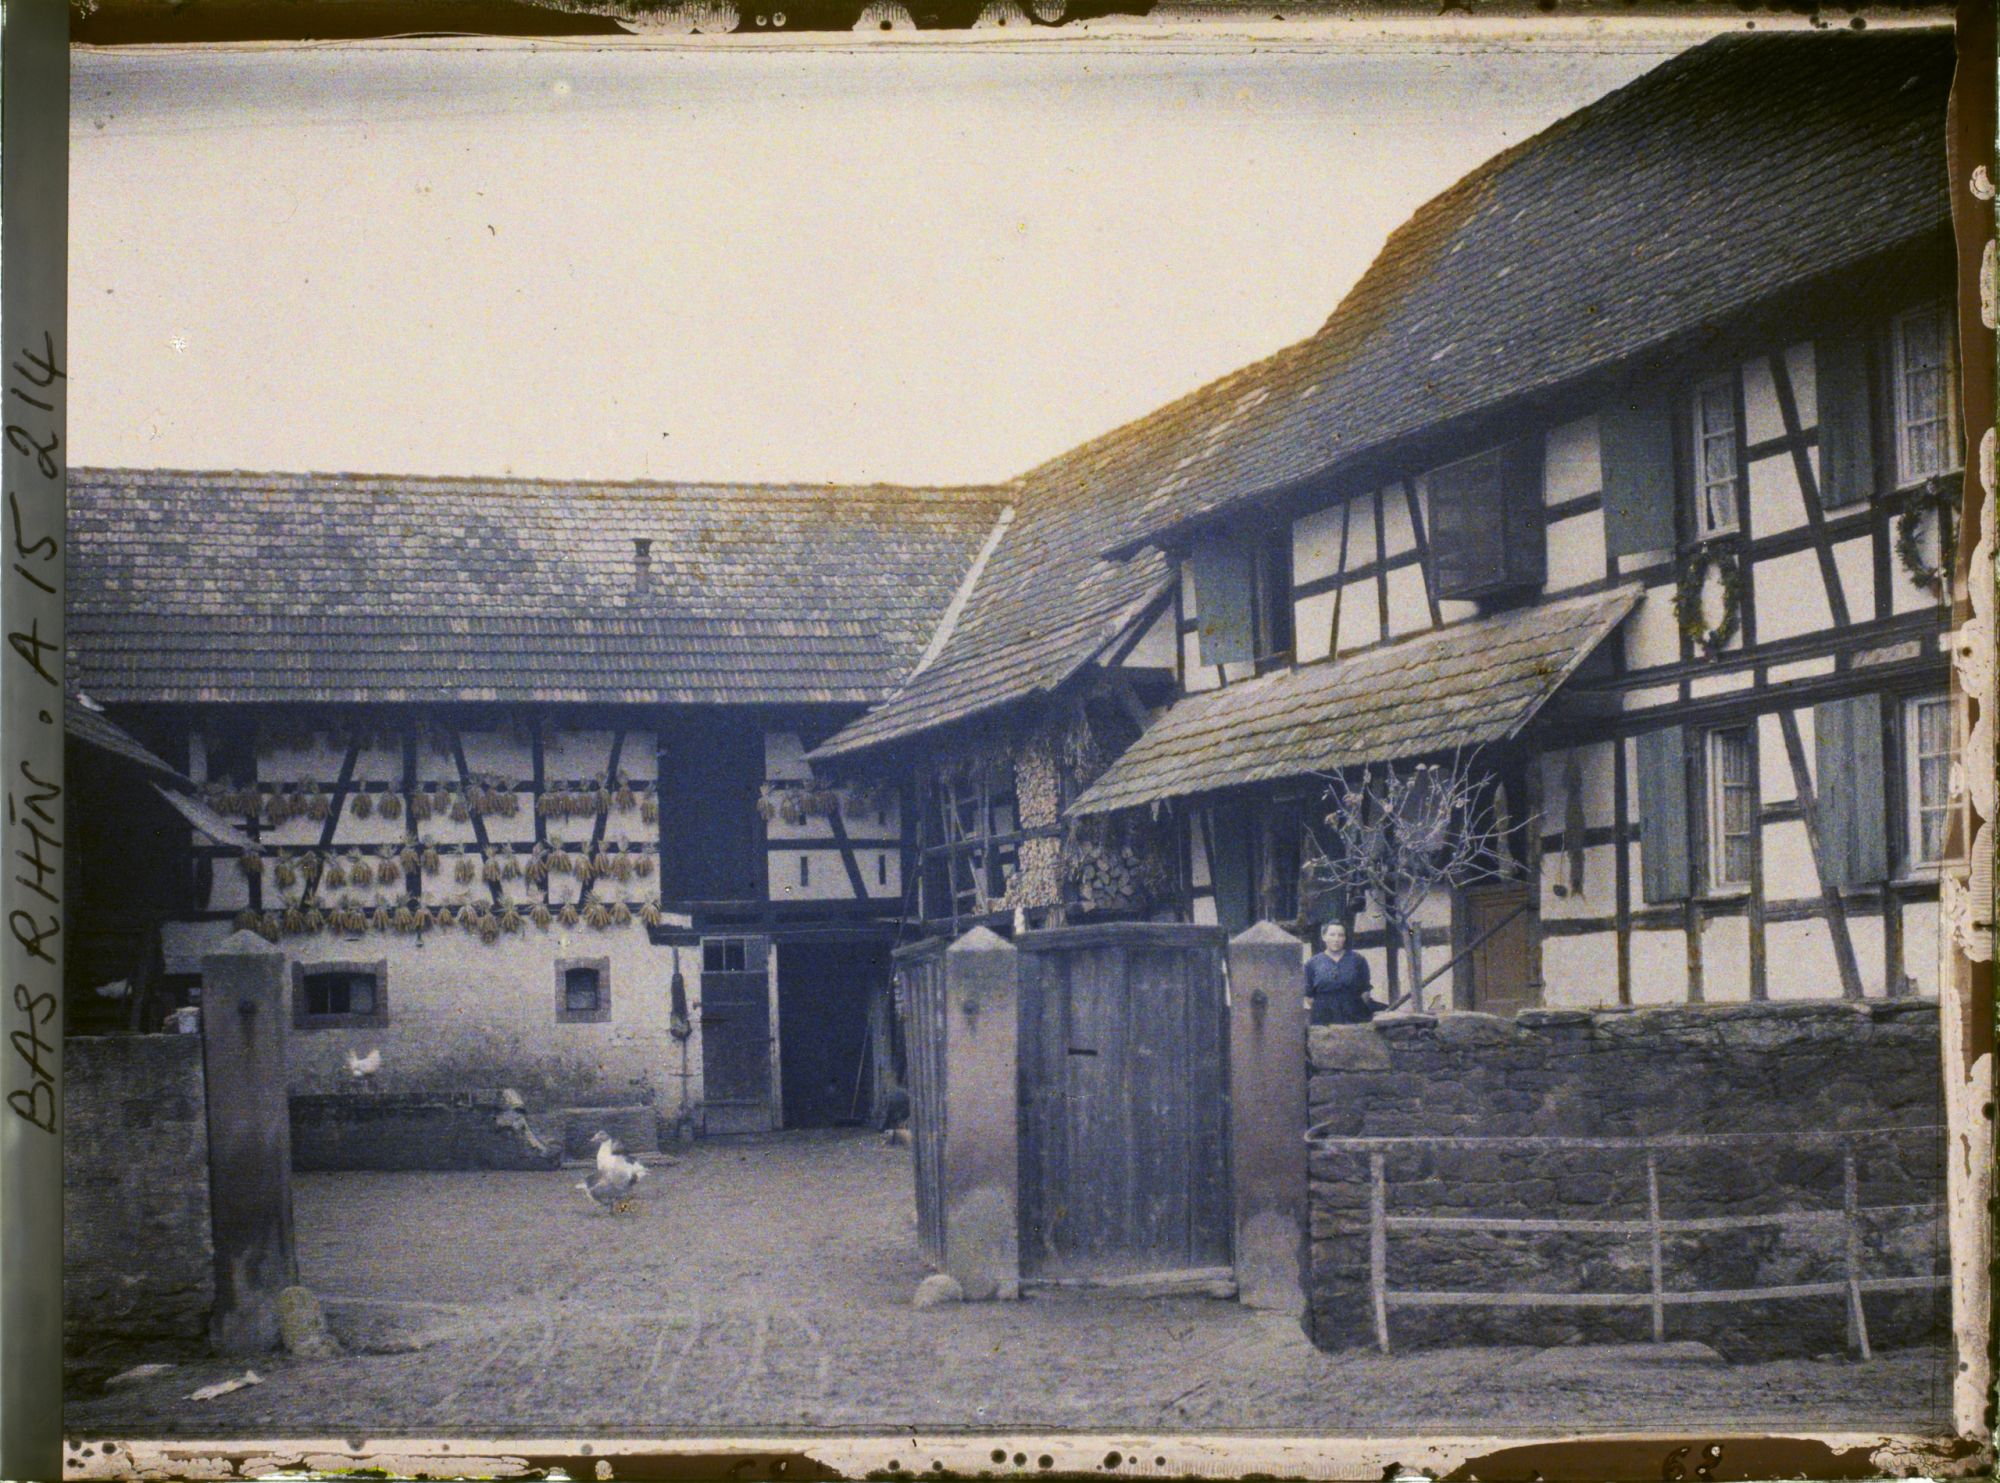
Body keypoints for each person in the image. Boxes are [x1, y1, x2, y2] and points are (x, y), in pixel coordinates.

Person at [1305, 920, 1386, 1026]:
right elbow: (1309, 995)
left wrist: (1354, 1008)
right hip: (1323, 1016)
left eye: (1340, 935)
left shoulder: (1357, 960)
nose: (1336, 939)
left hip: (1353, 1014)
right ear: (1324, 937)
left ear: (1345, 938)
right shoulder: (1313, 963)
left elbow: (1365, 990)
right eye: (1332, 935)